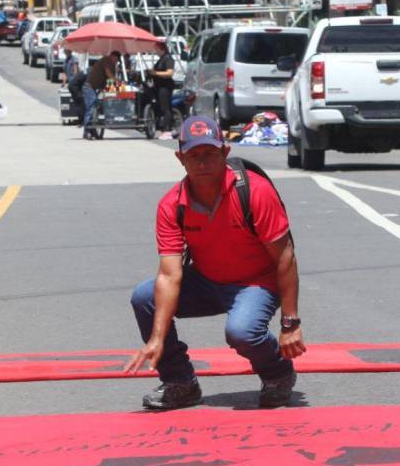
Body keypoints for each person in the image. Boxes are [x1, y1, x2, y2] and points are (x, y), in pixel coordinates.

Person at [126, 115, 306, 410]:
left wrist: (290, 323)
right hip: (207, 280)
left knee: (242, 332)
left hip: (256, 282)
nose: (202, 163)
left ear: (225, 152)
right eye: (194, 155)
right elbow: (170, 276)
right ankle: (180, 383)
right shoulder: (172, 205)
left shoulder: (255, 192)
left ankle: (277, 373)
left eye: (210, 153)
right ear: (180, 158)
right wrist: (156, 338)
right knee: (145, 297)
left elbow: (285, 257)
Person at [82, 50, 120, 140]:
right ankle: (87, 130)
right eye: (115, 59)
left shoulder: (113, 65)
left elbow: (111, 76)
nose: (116, 61)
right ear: (112, 56)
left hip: (97, 87)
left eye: (117, 60)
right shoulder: (106, 60)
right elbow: (108, 74)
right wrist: (116, 80)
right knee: (91, 106)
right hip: (89, 87)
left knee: (98, 105)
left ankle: (93, 130)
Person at [147, 41, 176, 140]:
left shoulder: (168, 58)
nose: (155, 51)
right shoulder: (161, 59)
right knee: (162, 107)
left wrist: (155, 73)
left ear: (161, 49)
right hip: (159, 86)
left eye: (156, 49)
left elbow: (169, 73)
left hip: (165, 86)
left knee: (165, 108)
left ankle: (167, 131)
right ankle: (165, 128)